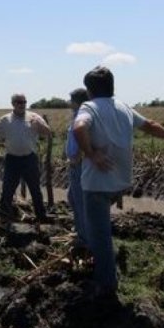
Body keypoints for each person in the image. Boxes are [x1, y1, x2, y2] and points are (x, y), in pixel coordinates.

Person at [73, 66, 164, 294]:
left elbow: (79, 126)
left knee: (99, 236)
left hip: (96, 184)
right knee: (102, 229)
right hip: (121, 182)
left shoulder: (89, 107)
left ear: (90, 90)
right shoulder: (124, 107)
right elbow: (150, 125)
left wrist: (92, 154)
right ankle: (106, 270)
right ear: (112, 87)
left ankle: (106, 285)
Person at [0, 93, 52, 224]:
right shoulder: (6, 119)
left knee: (35, 189)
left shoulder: (34, 117)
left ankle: (41, 216)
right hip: (12, 159)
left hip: (29, 158)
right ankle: (5, 217)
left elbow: (48, 132)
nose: (22, 104)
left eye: (24, 102)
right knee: (7, 189)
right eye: (19, 102)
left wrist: (40, 125)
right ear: (13, 104)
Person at [66, 88, 89, 248]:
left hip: (79, 164)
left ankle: (84, 237)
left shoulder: (83, 116)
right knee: (73, 198)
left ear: (77, 101)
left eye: (71, 100)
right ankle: (81, 229)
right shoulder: (76, 115)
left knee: (80, 201)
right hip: (75, 163)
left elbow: (85, 135)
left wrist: (78, 156)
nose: (69, 103)